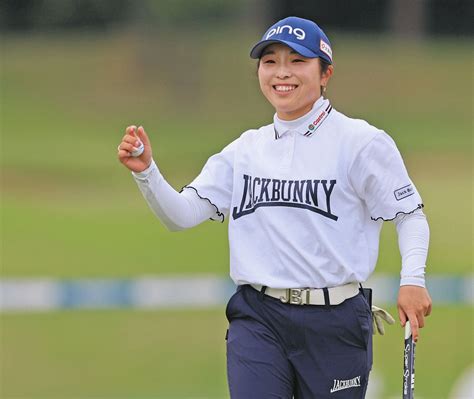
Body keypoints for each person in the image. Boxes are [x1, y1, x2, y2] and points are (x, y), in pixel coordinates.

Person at [117, 16, 432, 399]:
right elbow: (182, 215)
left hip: (336, 322)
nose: (282, 73)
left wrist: (413, 280)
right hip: (258, 319)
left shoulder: (362, 142)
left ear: (325, 73)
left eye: (297, 61)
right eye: (270, 61)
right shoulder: (245, 149)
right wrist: (147, 172)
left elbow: (409, 214)